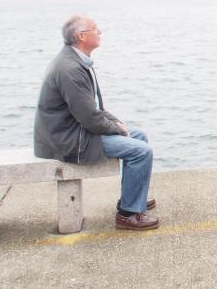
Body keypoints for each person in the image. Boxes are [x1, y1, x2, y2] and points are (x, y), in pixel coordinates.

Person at [34, 15, 159, 231]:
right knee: (141, 151)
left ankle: (133, 199)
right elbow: (90, 119)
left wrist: (114, 121)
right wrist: (117, 128)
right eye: (95, 29)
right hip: (69, 140)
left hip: (74, 131)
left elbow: (92, 110)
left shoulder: (74, 61)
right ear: (81, 36)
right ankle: (128, 214)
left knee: (138, 135)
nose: (99, 32)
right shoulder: (70, 69)